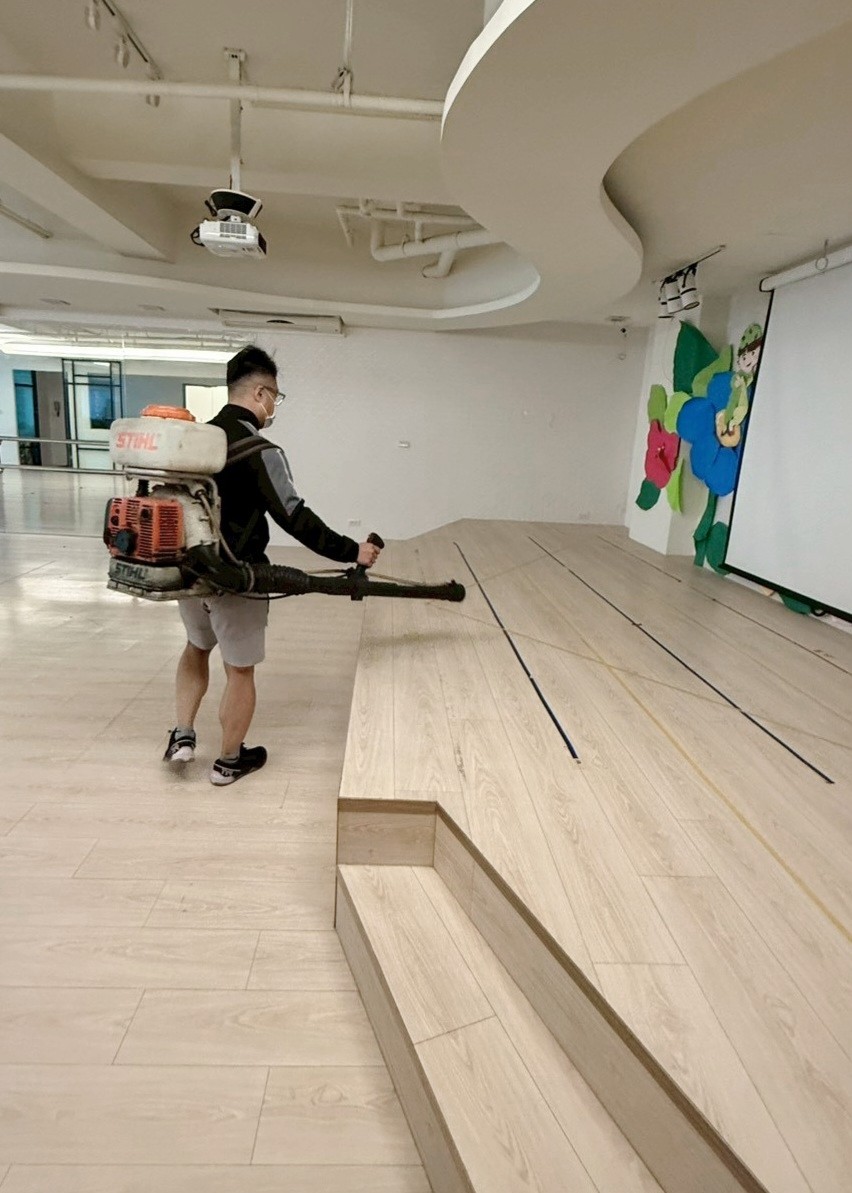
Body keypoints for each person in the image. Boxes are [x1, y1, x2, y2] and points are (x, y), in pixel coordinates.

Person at [163, 344, 381, 785]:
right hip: (238, 578)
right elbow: (296, 518)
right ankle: (228, 762)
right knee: (239, 670)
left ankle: (182, 736)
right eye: (275, 397)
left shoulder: (194, 441)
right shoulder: (261, 450)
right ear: (260, 394)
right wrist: (351, 551)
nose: (274, 407)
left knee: (196, 648)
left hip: (191, 573)